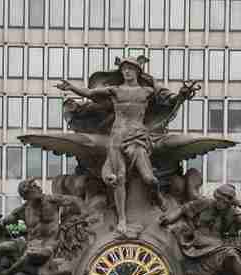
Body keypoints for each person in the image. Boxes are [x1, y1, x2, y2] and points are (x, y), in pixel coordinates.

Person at [57, 60, 199, 235]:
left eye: (130, 69)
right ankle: (122, 220)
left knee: (149, 178)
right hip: (117, 137)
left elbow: (170, 100)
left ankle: (158, 196)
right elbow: (91, 93)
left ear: (137, 72)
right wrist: (71, 87)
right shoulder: (115, 90)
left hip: (138, 137)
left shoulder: (148, 91)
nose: (127, 72)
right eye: (124, 70)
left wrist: (182, 95)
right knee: (119, 177)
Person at [0, 177, 84, 275]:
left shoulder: (51, 200)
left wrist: (85, 215)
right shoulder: (24, 209)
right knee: (0, 248)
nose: (38, 188)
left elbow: (76, 201)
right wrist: (0, 223)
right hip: (28, 243)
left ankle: (7, 274)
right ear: (26, 194)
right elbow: (7, 220)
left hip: (49, 244)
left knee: (29, 255)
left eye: (37, 186)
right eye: (34, 187)